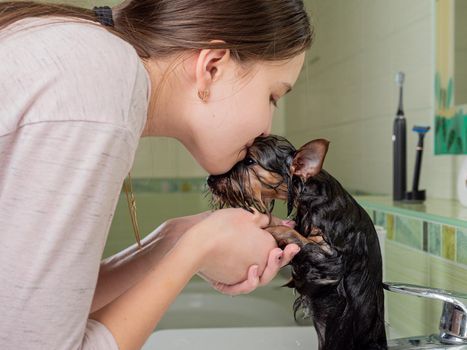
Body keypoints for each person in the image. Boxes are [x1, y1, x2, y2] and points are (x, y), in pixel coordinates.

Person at [0, 1, 313, 349]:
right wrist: (198, 247)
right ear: (212, 67)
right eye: (273, 96)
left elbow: (27, 308)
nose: (267, 127)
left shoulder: (92, 62)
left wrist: (174, 239)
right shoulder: (100, 88)